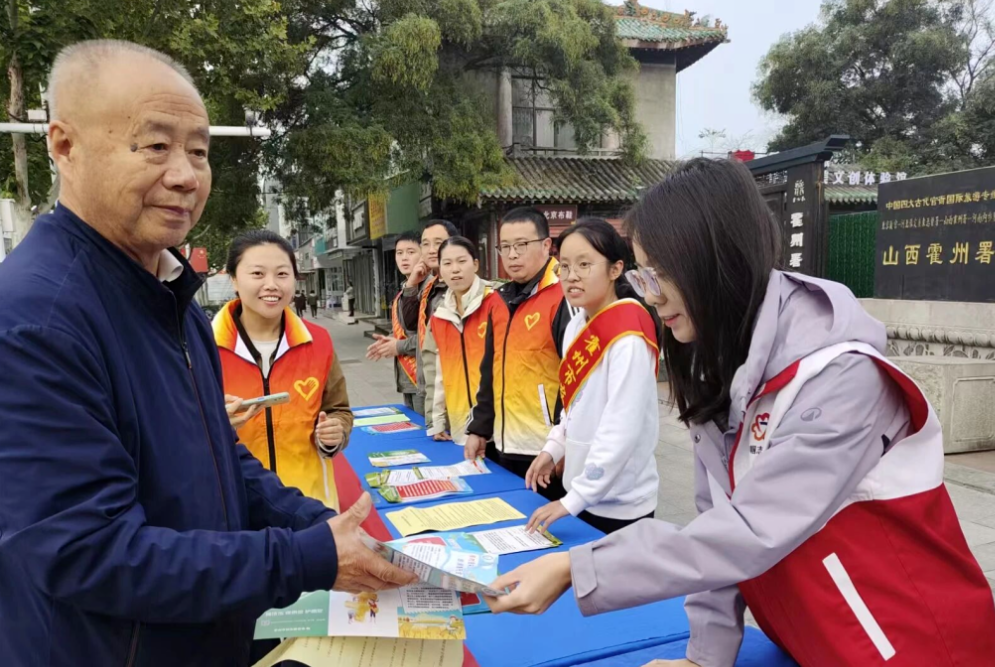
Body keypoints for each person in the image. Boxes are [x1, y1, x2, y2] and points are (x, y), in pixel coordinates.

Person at [0, 40, 416, 667]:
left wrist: (315, 522)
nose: (185, 175)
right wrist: (306, 556)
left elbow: (217, 457)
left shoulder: (170, 296)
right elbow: (89, 551)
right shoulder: (38, 320)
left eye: (198, 151)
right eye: (155, 146)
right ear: (64, 145)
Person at [484, 159, 995, 666]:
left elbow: (750, 529)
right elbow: (718, 522)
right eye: (645, 275)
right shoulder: (720, 367)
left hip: (912, 644)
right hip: (815, 639)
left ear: (717, 260)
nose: (652, 295)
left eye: (660, 274)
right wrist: (705, 656)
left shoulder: (843, 379)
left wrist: (578, 567)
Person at [524, 219, 662, 536]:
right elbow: (573, 408)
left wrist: (573, 499)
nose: (571, 276)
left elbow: (621, 428)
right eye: (565, 266)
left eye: (585, 265)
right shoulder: (576, 325)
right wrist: (553, 449)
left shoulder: (629, 337)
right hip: (581, 494)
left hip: (621, 504)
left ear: (615, 269)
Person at [214, 230, 353, 510]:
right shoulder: (204, 347)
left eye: (281, 274)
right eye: (257, 274)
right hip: (237, 508)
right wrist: (216, 427)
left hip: (311, 504)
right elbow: (182, 431)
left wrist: (336, 433)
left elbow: (339, 409)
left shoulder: (318, 340)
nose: (271, 285)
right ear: (234, 279)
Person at [464, 207, 574, 498]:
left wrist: (564, 447)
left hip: (544, 451)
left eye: (521, 245)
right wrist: (479, 428)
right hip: (502, 444)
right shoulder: (498, 300)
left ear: (546, 245)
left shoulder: (565, 296)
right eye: (505, 247)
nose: (512, 255)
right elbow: (489, 370)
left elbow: (575, 381)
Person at [427, 237, 506, 444]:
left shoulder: (496, 302)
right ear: (440, 272)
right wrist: (437, 420)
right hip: (460, 423)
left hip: (500, 424)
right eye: (447, 263)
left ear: (476, 264)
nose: (455, 269)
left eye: (462, 261)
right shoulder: (440, 316)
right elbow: (440, 373)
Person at [396, 219, 458, 426]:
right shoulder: (429, 287)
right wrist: (412, 285)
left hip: (453, 394)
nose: (431, 250)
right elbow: (411, 326)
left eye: (438, 243)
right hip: (428, 387)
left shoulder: (459, 286)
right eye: (425, 244)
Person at [365, 231, 423, 411]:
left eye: (411, 252)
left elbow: (433, 337)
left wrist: (398, 346)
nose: (404, 258)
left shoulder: (430, 291)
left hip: (426, 383)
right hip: (409, 381)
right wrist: (390, 340)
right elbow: (407, 331)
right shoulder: (404, 291)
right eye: (399, 253)